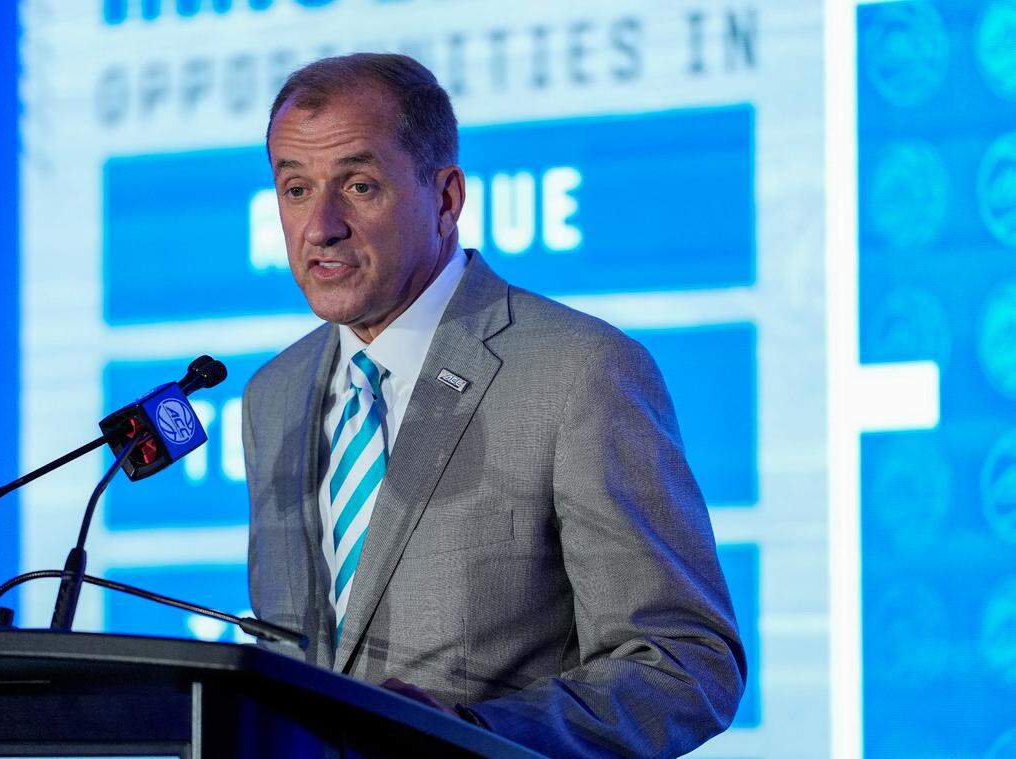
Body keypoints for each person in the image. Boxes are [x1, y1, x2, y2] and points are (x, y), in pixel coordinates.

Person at [243, 52, 746, 757]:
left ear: (446, 198)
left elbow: (685, 663)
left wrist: (472, 738)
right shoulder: (274, 395)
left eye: (358, 185)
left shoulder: (580, 370)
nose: (320, 226)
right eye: (295, 189)